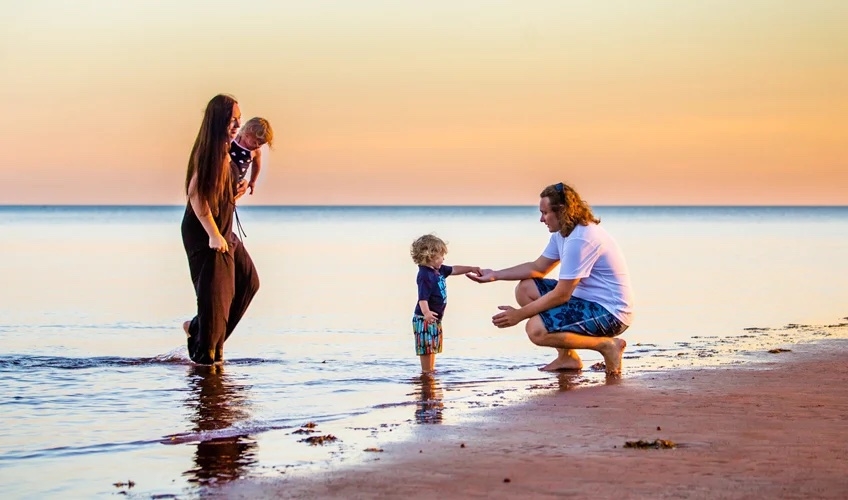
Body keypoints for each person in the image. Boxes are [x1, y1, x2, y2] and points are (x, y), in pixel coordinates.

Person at [467, 182, 633, 376]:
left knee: (536, 329)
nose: (541, 219)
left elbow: (561, 295)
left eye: (545, 213)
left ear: (562, 211)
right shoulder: (564, 232)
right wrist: (495, 274)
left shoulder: (581, 238)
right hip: (587, 300)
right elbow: (537, 268)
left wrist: (519, 315)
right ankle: (567, 357)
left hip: (611, 313)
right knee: (525, 288)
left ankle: (607, 346)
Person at [180, 94, 260, 365]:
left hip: (224, 230)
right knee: (214, 305)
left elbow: (218, 194)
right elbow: (195, 194)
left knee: (249, 282)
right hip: (206, 234)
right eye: (232, 118)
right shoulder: (212, 150)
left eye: (239, 118)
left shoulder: (228, 150)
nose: (238, 123)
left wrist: (236, 192)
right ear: (218, 120)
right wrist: (213, 235)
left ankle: (199, 330)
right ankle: (207, 371)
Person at [410, 234, 480, 373]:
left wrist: (471, 268)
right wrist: (426, 313)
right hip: (425, 318)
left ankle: (431, 371)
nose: (443, 259)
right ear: (431, 257)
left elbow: (454, 269)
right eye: (440, 256)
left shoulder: (438, 270)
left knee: (432, 347)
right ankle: (426, 372)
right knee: (426, 348)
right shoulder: (425, 275)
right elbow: (422, 298)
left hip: (434, 317)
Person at [229, 117, 274, 195]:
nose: (257, 145)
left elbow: (256, 166)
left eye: (261, 144)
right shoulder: (234, 140)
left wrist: (252, 181)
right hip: (224, 176)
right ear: (246, 134)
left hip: (237, 182)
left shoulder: (255, 152)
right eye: (254, 142)